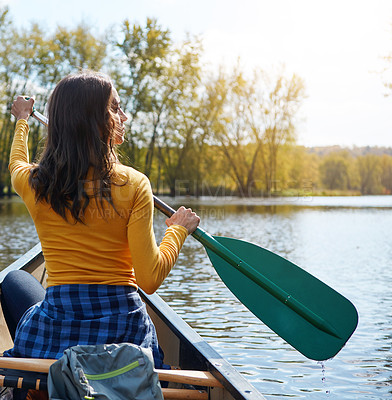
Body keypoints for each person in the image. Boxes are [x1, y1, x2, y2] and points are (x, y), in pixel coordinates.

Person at [1, 71, 200, 371]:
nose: (125, 116)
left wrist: (22, 120)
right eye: (116, 108)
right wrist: (177, 231)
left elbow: (17, 162)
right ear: (95, 120)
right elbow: (149, 279)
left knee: (14, 281)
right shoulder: (134, 184)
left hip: (57, 333)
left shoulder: (34, 182)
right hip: (124, 336)